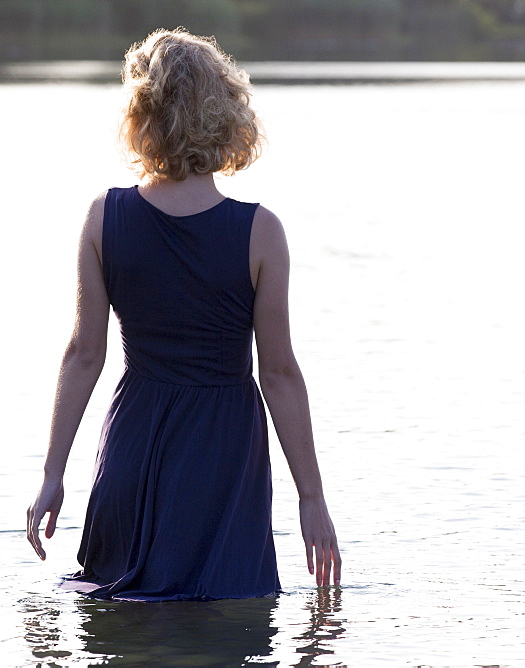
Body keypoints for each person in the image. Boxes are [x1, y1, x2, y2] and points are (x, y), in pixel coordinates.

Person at [26, 28, 341, 600]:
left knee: (122, 614)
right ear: (224, 112)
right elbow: (280, 373)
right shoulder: (261, 233)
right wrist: (312, 499)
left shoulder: (103, 219)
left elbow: (83, 354)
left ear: (139, 114)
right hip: (222, 459)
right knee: (225, 619)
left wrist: (53, 474)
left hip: (133, 445)